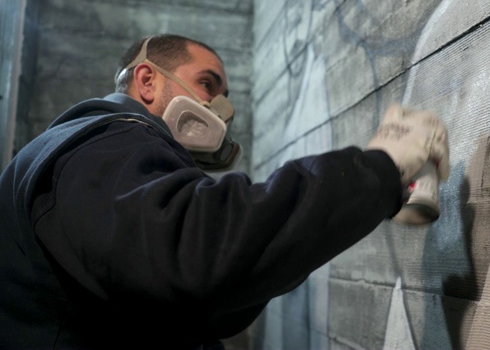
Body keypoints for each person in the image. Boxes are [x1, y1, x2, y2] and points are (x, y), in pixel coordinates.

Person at [0, 34, 449, 348]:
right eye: (207, 84)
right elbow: (198, 255)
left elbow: (203, 306)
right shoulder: (107, 142)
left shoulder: (98, 150)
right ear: (147, 80)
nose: (221, 108)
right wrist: (379, 167)